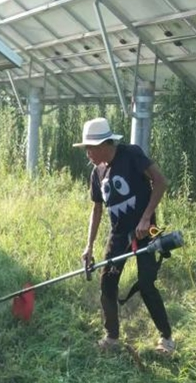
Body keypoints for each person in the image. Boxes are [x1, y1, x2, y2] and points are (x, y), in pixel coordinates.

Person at [74, 117, 175, 354]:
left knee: (147, 283)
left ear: (104, 144)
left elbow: (161, 182)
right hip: (119, 233)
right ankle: (112, 336)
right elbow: (96, 209)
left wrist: (146, 217)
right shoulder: (96, 173)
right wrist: (88, 246)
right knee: (107, 282)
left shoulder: (132, 154)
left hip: (148, 228)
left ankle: (167, 338)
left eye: (90, 147)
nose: (87, 152)